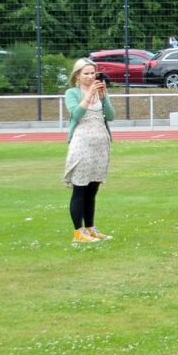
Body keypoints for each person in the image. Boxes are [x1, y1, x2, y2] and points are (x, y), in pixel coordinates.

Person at [64, 58, 115, 243]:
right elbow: (75, 114)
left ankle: (90, 228)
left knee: (93, 189)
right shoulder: (72, 93)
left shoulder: (100, 92)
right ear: (77, 75)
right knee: (80, 189)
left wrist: (103, 97)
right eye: (86, 73)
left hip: (100, 145)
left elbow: (110, 116)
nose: (90, 77)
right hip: (82, 144)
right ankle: (78, 233)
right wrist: (88, 96)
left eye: (93, 73)